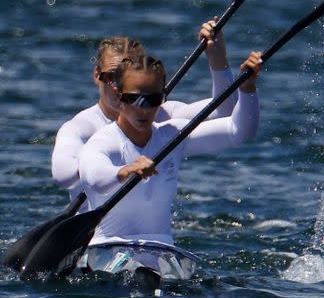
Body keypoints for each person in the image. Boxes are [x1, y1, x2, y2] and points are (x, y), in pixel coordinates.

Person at [76, 50, 262, 278]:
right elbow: (94, 178)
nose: (143, 109)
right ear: (118, 94)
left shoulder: (172, 136)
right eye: (134, 99)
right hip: (107, 256)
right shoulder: (103, 142)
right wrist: (125, 171)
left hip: (163, 256)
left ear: (163, 97)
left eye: (152, 100)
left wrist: (248, 89)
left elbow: (240, 131)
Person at [51, 19, 236, 204]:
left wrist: (217, 58)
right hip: (96, 229)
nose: (118, 85)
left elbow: (226, 110)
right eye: (111, 76)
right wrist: (116, 170)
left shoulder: (164, 115)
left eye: (126, 76)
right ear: (96, 76)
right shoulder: (82, 126)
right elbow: (63, 175)